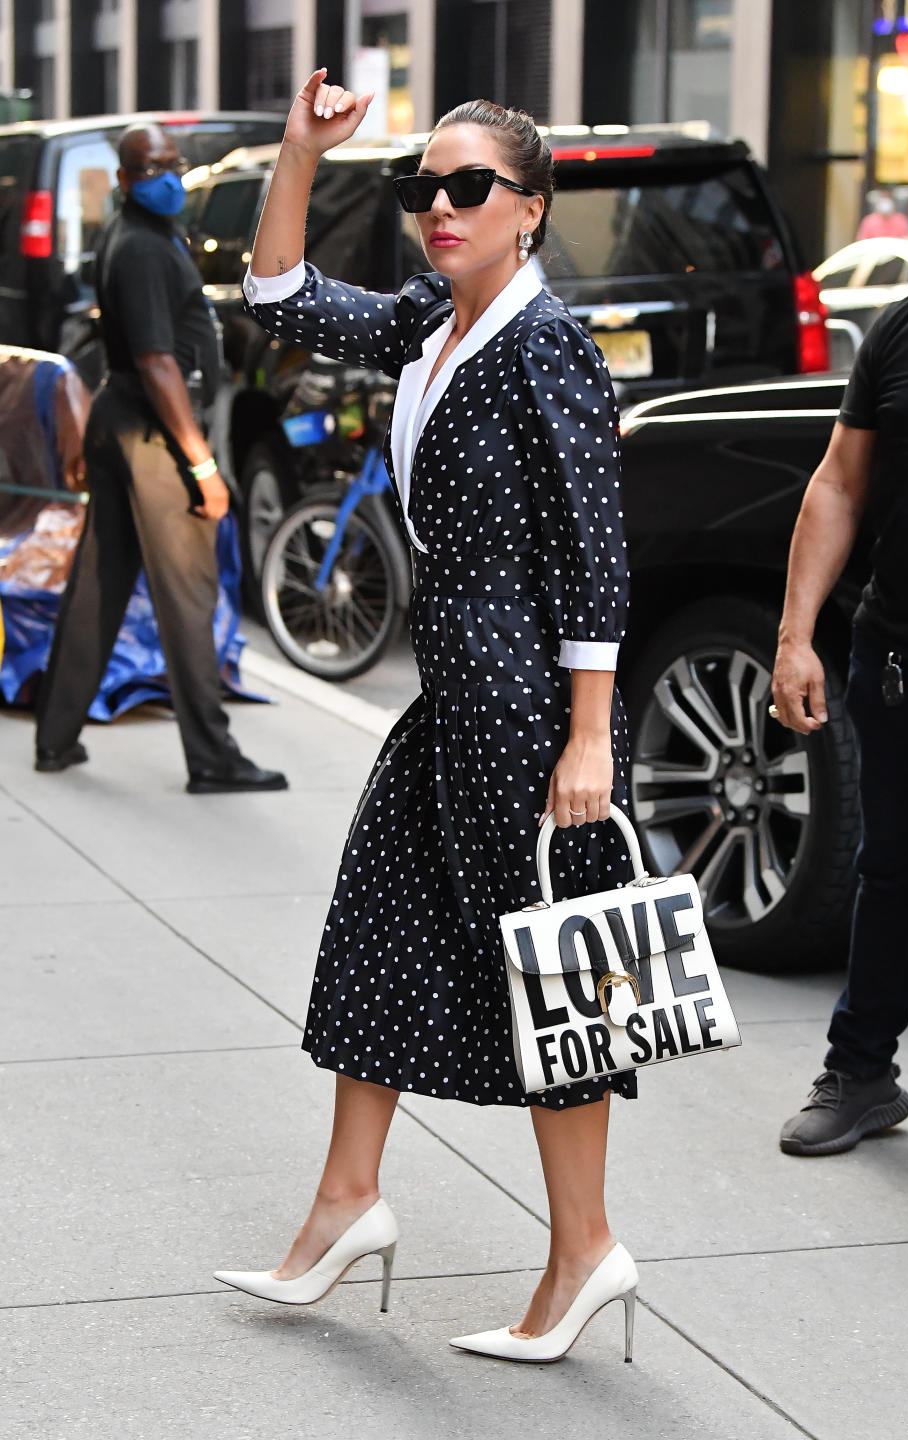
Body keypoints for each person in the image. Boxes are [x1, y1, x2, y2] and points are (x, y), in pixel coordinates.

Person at [213, 70, 640, 1362]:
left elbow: (595, 550)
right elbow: (276, 291)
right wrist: (299, 148)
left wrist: (588, 735)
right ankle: (346, 1205)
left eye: (469, 188)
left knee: (548, 979)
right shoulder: (426, 323)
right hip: (450, 693)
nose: (439, 208)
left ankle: (585, 1253)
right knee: (379, 936)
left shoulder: (543, 341)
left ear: (530, 207)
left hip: (516, 703)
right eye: (422, 189)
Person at [772, 127, 908, 1156]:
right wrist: (797, 635)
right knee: (892, 869)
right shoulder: (903, 330)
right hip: (901, 658)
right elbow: (839, 484)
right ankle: (861, 1075)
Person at [34, 123, 287, 795]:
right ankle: (214, 758)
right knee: (187, 595)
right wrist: (201, 465)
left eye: (173, 163)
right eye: (151, 167)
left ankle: (54, 737)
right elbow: (156, 362)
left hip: (124, 424)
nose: (168, 176)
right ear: (124, 180)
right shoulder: (142, 246)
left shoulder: (136, 232)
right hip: (152, 436)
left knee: (97, 586)